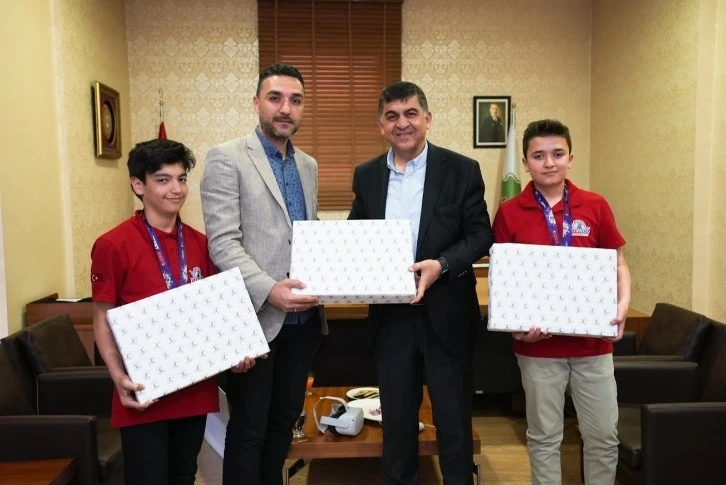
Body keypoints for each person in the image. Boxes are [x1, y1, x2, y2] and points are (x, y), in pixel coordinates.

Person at [348, 81, 493, 485]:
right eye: (392, 116)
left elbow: (481, 234)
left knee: (453, 421)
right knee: (396, 423)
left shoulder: (462, 170)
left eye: (411, 113)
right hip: (391, 318)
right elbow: (356, 234)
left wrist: (442, 265)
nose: (403, 123)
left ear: (427, 118)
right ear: (381, 125)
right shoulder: (367, 175)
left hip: (447, 312)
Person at [91, 139, 256, 485]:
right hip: (145, 389)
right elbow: (102, 318)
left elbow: (217, 312)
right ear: (138, 185)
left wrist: (237, 351)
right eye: (163, 180)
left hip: (193, 388)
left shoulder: (202, 244)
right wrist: (118, 377)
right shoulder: (113, 245)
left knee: (184, 476)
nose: (176, 189)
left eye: (181, 179)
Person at [200, 63, 327, 485]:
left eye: (295, 100)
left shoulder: (308, 165)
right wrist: (270, 290)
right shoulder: (226, 158)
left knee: (282, 426)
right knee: (249, 431)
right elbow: (223, 243)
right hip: (253, 320)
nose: (285, 108)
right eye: (275, 98)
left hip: (304, 322)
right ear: (257, 103)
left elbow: (306, 234)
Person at [492, 119, 631, 485]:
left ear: (571, 157)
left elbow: (618, 264)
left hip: (593, 345)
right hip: (538, 349)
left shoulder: (595, 205)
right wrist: (516, 328)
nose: (549, 162)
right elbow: (504, 278)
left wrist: (622, 305)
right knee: (544, 438)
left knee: (603, 437)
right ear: (525, 163)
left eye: (557, 153)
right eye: (538, 156)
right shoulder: (509, 211)